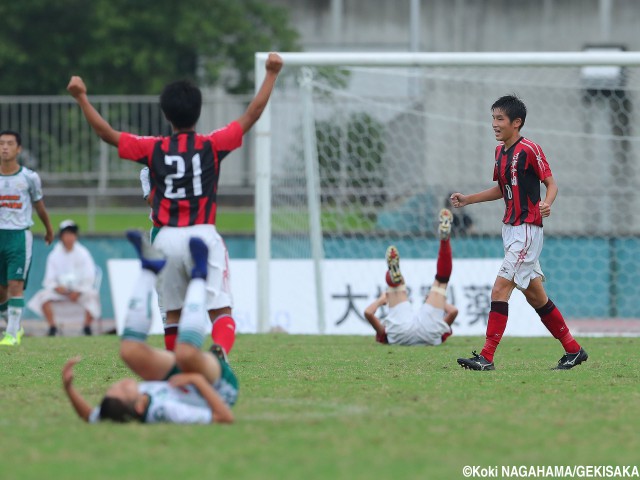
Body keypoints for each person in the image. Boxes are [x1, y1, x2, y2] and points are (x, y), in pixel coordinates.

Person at [67, 52, 284, 355]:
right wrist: (271, 74)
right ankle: (219, 351)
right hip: (203, 235)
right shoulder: (213, 144)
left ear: (166, 115)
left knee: (174, 314)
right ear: (198, 111)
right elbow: (252, 114)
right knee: (220, 310)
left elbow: (107, 134)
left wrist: (81, 98)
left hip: (166, 239)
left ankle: (176, 366)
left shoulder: (153, 148)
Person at [450, 94, 588, 371]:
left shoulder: (529, 149)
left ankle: (486, 357)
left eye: (500, 119)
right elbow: (503, 189)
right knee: (536, 296)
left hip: (527, 231)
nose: (494, 124)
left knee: (499, 289)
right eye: (493, 118)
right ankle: (573, 350)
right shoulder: (499, 152)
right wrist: (468, 199)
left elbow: (551, 184)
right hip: (510, 230)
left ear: (517, 122)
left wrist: (546, 203)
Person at [61, 231, 237, 424]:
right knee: (184, 354)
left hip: (176, 381)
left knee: (128, 351)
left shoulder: (121, 408)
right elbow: (224, 417)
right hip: (216, 387)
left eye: (112, 389)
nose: (119, 385)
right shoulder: (166, 410)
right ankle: (199, 275)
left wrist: (69, 389)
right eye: (122, 391)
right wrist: (196, 380)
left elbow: (90, 416)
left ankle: (149, 269)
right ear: (139, 406)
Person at [364, 209, 457, 346]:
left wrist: (382, 300)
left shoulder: (386, 336)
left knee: (402, 286)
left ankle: (394, 278)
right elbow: (454, 311)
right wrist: (436, 301)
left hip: (401, 333)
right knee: (441, 282)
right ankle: (445, 240)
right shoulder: (440, 332)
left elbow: (367, 312)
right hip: (428, 333)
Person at [0, 130, 54, 346]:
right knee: (2, 292)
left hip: (19, 236)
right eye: (1, 143)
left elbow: (39, 205)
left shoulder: (29, 177)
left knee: (16, 284)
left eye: (9, 144)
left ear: (18, 149)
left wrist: (49, 229)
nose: (4, 147)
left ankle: (11, 334)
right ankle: (13, 322)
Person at [27, 219, 100, 336]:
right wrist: (57, 288)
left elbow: (89, 276)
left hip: (79, 291)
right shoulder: (54, 255)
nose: (69, 237)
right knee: (43, 296)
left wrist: (79, 291)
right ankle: (52, 327)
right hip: (60, 292)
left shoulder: (83, 253)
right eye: (66, 234)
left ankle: (87, 327)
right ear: (61, 236)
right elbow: (49, 279)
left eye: (72, 234)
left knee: (92, 295)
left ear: (76, 236)